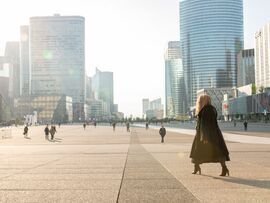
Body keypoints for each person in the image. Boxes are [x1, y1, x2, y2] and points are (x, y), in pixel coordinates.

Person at [190, 94, 230, 176]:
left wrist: (205, 136)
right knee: (217, 152)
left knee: (200, 151)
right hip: (210, 133)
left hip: (206, 134)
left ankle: (224, 169)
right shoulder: (209, 109)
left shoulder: (207, 110)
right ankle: (197, 167)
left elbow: (206, 124)